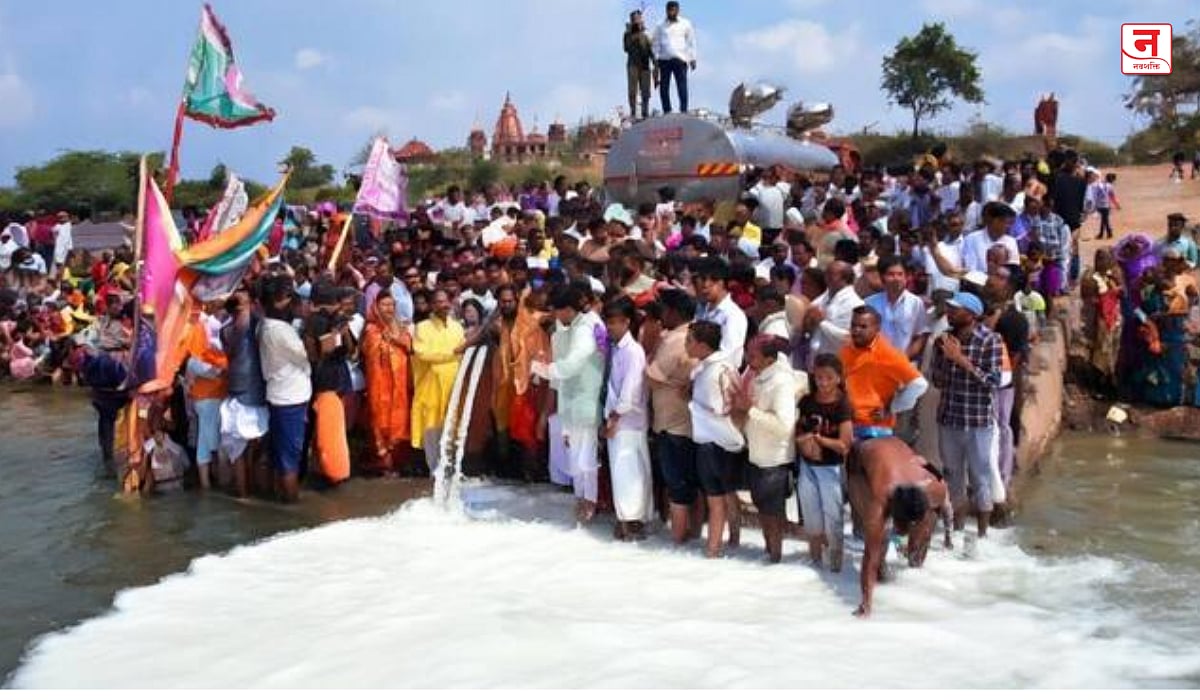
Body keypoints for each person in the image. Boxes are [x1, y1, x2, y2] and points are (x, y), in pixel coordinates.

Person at [845, 436, 950, 617]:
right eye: (903, 526)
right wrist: (866, 603)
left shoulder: (935, 490)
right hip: (860, 458)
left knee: (923, 533)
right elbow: (869, 557)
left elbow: (940, 482)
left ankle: (915, 560)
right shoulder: (879, 498)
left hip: (900, 452)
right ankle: (882, 566)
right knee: (876, 543)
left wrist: (948, 533)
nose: (905, 531)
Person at [931, 291, 1003, 537]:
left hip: (978, 422)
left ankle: (983, 535)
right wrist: (942, 358)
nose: (949, 313)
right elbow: (937, 380)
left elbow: (993, 382)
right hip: (949, 419)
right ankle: (957, 530)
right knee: (952, 477)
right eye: (949, 309)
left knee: (980, 477)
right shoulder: (943, 340)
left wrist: (960, 359)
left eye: (955, 309)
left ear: (971, 314)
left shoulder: (990, 340)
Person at [533, 283, 606, 522]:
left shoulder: (588, 327)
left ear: (568, 309)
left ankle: (590, 501)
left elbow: (574, 361)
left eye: (557, 310)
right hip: (569, 402)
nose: (554, 315)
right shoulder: (562, 329)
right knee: (575, 458)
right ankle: (580, 497)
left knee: (587, 458)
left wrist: (545, 370)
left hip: (587, 400)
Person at [734, 334, 797, 563]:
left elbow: (784, 425)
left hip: (774, 459)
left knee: (772, 514)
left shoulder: (781, 382)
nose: (747, 359)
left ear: (770, 359)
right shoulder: (757, 376)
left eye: (752, 355)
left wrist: (750, 410)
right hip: (757, 456)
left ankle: (775, 559)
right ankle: (770, 558)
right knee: (763, 511)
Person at [646, 288, 700, 543]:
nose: (660, 315)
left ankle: (678, 540)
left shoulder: (676, 340)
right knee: (687, 484)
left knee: (677, 485)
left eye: (663, 309)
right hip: (682, 422)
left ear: (675, 312)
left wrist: (651, 346)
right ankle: (690, 536)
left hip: (673, 424)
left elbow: (651, 376)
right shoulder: (689, 335)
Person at [686, 319, 744, 558]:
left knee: (715, 497)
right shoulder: (722, 366)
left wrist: (692, 404)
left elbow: (720, 409)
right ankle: (732, 540)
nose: (686, 345)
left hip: (713, 440)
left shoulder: (713, 372)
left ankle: (713, 548)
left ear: (702, 345)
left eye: (689, 341)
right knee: (726, 493)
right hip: (725, 440)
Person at [601, 296, 653, 540]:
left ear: (626, 322)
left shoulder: (634, 352)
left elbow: (629, 393)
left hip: (628, 422)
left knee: (631, 472)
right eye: (607, 322)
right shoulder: (614, 349)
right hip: (617, 420)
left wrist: (614, 419)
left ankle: (633, 521)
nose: (610, 327)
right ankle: (625, 518)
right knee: (622, 472)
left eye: (614, 322)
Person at [795, 353, 853, 570]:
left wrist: (820, 441)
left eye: (829, 378)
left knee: (833, 516)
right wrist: (803, 440)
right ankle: (815, 562)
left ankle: (836, 565)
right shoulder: (807, 401)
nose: (823, 382)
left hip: (832, 468)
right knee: (811, 515)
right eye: (819, 378)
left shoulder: (843, 405)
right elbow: (798, 431)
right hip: (807, 466)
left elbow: (845, 444)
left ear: (839, 378)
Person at [258, 276, 312, 503]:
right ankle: (292, 508)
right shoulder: (280, 330)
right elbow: (306, 353)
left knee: (282, 455)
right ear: (279, 301)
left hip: (282, 395)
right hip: (290, 398)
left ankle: (282, 499)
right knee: (290, 459)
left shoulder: (266, 325)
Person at [841, 305, 928, 440]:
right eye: (854, 325)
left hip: (874, 428)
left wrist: (893, 407)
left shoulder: (888, 354)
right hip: (847, 423)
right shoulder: (847, 349)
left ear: (877, 328)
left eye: (863, 327)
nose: (856, 330)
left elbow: (919, 384)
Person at [219, 289, 269, 499]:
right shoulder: (250, 324)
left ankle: (245, 492)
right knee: (247, 449)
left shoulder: (227, 329)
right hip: (249, 393)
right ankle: (246, 492)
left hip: (241, 391)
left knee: (243, 449)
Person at [304, 285, 355, 486]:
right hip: (324, 383)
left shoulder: (337, 320)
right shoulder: (315, 323)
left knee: (335, 432)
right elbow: (318, 355)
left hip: (339, 380)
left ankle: (327, 471)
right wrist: (333, 334)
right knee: (327, 434)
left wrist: (344, 331)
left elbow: (351, 351)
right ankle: (330, 473)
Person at [411, 288, 466, 463]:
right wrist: (454, 353)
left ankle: (450, 470)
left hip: (454, 386)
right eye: (438, 302)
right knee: (432, 429)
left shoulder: (457, 327)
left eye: (445, 301)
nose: (442, 305)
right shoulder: (421, 327)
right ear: (431, 305)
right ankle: (434, 473)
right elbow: (423, 354)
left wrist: (456, 354)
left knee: (453, 429)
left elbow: (463, 355)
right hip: (430, 388)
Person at [361, 290, 412, 473]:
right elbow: (369, 353)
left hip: (400, 383)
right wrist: (385, 341)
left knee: (400, 419)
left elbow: (409, 346)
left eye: (391, 305)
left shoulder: (401, 327)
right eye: (384, 305)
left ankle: (398, 461)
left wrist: (396, 340)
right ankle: (383, 462)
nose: (389, 308)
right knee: (379, 419)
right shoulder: (370, 329)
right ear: (376, 307)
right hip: (379, 384)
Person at [866, 256, 929, 364]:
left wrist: (904, 358)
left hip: (905, 365)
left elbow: (921, 336)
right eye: (891, 274)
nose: (896, 278)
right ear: (882, 277)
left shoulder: (915, 303)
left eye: (900, 274)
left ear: (906, 277)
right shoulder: (870, 303)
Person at [693, 256, 749, 368]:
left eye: (713, 280)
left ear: (724, 282)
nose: (705, 285)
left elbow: (729, 357)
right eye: (703, 279)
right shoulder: (702, 309)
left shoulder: (733, 315)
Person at [805, 261, 862, 364]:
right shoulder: (823, 298)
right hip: (816, 360)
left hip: (837, 364)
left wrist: (822, 323)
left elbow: (849, 338)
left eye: (831, 274)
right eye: (826, 273)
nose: (826, 277)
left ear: (844, 278)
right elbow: (810, 314)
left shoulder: (855, 304)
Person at [651, 1, 697, 114]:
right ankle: (667, 110)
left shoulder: (685, 23)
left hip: (680, 59)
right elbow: (655, 43)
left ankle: (683, 110)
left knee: (682, 86)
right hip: (664, 60)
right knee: (663, 87)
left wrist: (693, 58)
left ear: (677, 10)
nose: (671, 12)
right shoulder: (660, 25)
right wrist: (655, 60)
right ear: (666, 11)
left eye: (673, 10)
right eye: (669, 10)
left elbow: (691, 42)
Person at [624, 10, 654, 121]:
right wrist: (632, 32)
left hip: (645, 65)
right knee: (632, 91)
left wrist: (655, 63)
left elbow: (651, 50)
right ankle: (633, 112)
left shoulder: (646, 33)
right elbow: (626, 48)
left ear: (641, 19)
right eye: (633, 19)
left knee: (645, 90)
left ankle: (645, 112)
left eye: (637, 18)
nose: (635, 20)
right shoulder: (627, 33)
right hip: (632, 65)